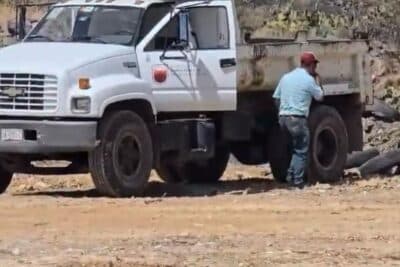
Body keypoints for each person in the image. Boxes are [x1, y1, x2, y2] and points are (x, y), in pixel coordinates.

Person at [272, 51, 324, 188]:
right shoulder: (309, 80)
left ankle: (290, 177)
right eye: (314, 65)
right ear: (311, 65)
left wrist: (280, 113)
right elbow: (320, 97)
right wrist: (318, 81)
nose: (315, 68)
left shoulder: (286, 77)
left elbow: (276, 98)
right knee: (301, 150)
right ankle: (298, 181)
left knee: (293, 149)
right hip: (297, 119)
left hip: (283, 119)